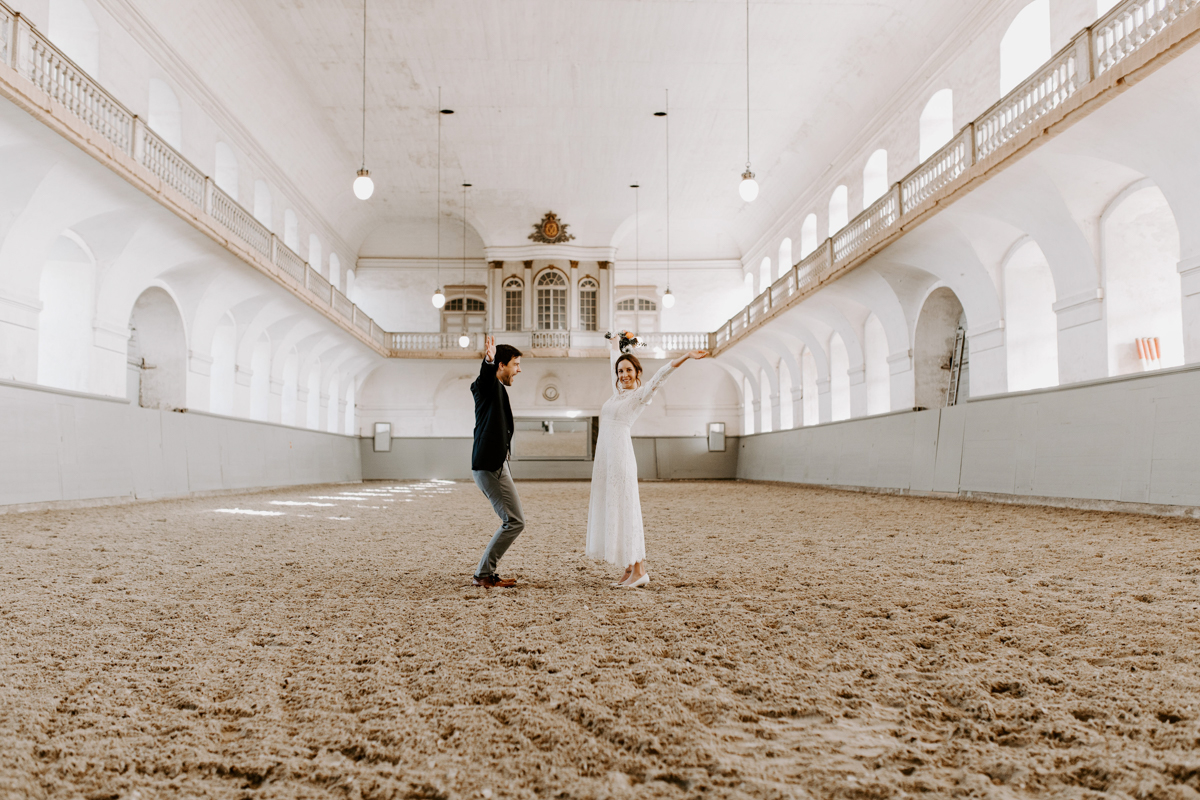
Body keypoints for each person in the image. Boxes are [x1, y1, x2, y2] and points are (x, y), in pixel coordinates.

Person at [586, 332, 708, 588]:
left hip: (620, 457)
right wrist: (613, 347)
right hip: (606, 459)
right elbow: (613, 365)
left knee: (628, 510)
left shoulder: (640, 395)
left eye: (628, 370)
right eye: (620, 371)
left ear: (637, 372)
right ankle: (630, 567)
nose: (623, 375)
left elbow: (662, 375)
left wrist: (685, 356)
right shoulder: (617, 392)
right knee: (616, 509)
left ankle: (640, 570)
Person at [470, 335, 524, 588]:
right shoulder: (487, 385)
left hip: (496, 464)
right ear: (501, 365)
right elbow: (482, 380)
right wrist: (488, 360)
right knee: (514, 521)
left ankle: (485, 572)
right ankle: (483, 574)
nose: (519, 369)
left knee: (513, 520)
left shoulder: (499, 389)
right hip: (491, 466)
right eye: (515, 364)